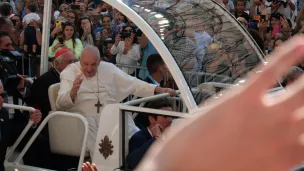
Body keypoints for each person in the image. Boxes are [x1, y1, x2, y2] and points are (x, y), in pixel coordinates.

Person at [56, 45, 175, 156]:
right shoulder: (69, 72)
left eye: (93, 64)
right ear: (79, 60)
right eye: (85, 64)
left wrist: (158, 89)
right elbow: (60, 103)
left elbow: (133, 83)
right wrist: (73, 92)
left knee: (135, 139)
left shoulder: (108, 68)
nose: (89, 69)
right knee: (106, 151)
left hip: (113, 115)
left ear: (99, 62)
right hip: (86, 121)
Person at [0, 79, 47, 171]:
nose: (1, 99)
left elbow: (11, 135)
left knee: (40, 142)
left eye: (2, 95)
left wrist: (31, 121)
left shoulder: (3, 115)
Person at [127, 99, 173, 169]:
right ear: (151, 119)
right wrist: (156, 139)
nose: (170, 120)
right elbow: (133, 163)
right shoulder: (138, 137)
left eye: (171, 116)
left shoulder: (171, 136)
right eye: (165, 116)